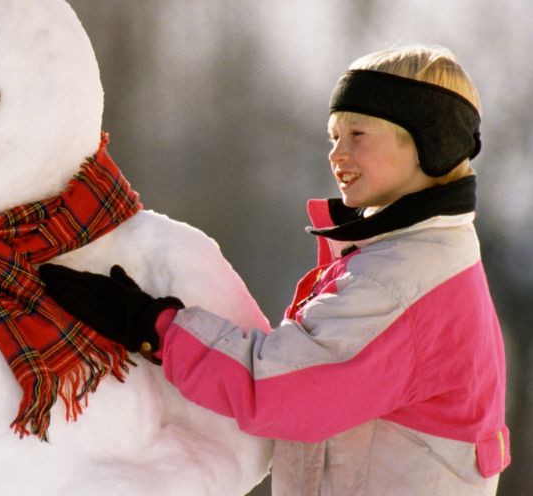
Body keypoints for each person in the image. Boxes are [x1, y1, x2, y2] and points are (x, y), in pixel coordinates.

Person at [39, 46, 509, 495]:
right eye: (334, 137)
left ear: (431, 146)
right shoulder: (425, 256)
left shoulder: (401, 285)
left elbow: (279, 387)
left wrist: (152, 326)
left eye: (358, 135)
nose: (337, 154)